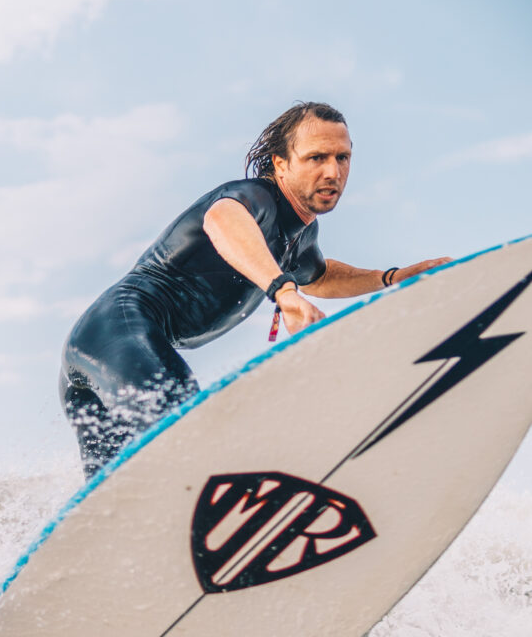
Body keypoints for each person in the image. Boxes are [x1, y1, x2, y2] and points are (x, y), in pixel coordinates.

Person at [59, 101, 450, 478]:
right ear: (281, 163)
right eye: (317, 158)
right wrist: (283, 291)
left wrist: (392, 278)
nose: (333, 171)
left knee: (115, 494)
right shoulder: (255, 198)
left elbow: (320, 276)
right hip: (120, 333)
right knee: (185, 434)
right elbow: (223, 218)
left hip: (102, 356)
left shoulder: (300, 234)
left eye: (342, 158)